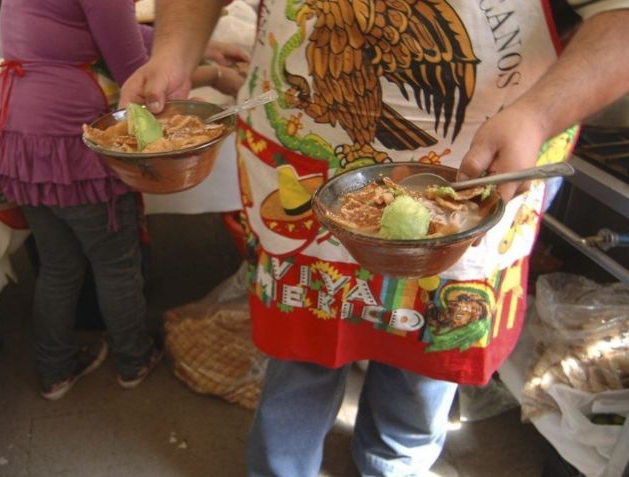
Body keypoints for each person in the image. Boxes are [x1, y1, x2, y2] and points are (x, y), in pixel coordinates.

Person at [120, 0, 629, 474]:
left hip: (474, 171)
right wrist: (174, 52)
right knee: (301, 352)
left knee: (426, 359)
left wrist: (537, 115)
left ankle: (394, 463)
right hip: (305, 163)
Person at [0, 0, 247, 401]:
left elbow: (108, 30)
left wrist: (203, 46)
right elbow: (136, 72)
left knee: (58, 266)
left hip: (20, 138)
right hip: (72, 145)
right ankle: (133, 359)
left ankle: (55, 370)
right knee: (117, 264)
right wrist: (217, 77)